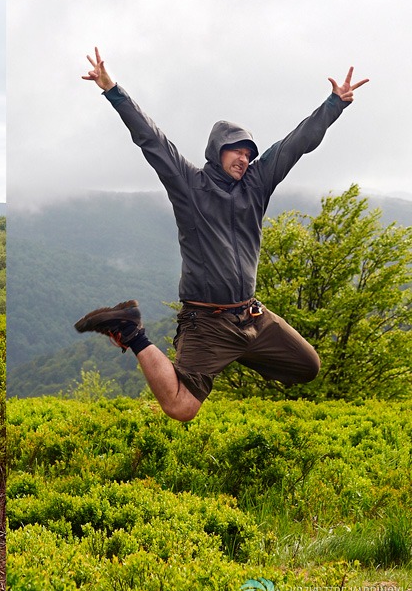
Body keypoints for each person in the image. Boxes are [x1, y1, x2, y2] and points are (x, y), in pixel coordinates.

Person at [73, 48, 368, 421]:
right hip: (207, 321)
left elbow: (294, 145)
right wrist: (111, 88)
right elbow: (149, 138)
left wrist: (334, 104)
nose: (243, 158)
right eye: (236, 151)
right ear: (217, 151)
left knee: (307, 366)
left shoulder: (256, 185)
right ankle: (131, 330)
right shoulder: (189, 184)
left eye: (248, 153)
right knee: (181, 408)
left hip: (252, 315)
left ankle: (238, 350)